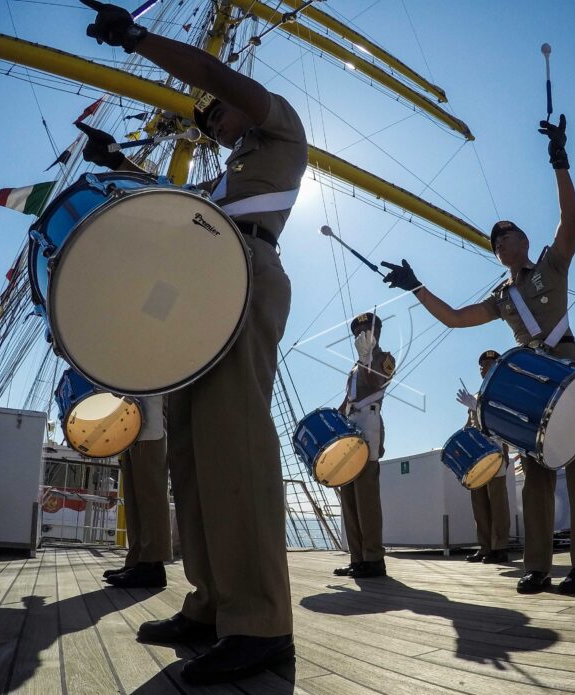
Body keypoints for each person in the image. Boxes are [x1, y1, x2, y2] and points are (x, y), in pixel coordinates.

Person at [80, 2, 307, 684]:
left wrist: (137, 37)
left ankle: (261, 622)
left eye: (217, 112)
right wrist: (118, 160)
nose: (211, 119)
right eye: (203, 117)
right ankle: (211, 604)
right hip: (203, 294)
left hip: (246, 275)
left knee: (233, 442)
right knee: (191, 450)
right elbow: (171, 213)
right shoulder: (222, 176)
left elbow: (210, 70)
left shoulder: (280, 126)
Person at [381, 114, 575, 595]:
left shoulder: (552, 264)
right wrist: (416, 286)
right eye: (495, 240)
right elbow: (455, 318)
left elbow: (571, 219)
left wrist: (560, 161)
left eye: (508, 234)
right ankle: (539, 567)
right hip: (531, 380)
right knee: (537, 474)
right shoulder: (502, 299)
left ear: (524, 241)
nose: (500, 240)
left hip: (568, 367)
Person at [333, 313, 395, 579]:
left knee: (366, 498)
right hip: (351, 425)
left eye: (367, 331)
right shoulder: (354, 368)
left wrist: (366, 358)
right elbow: (349, 400)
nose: (362, 336)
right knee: (349, 496)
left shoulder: (384, 359)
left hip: (369, 424)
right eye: (357, 333)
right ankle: (357, 558)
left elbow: (376, 381)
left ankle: (374, 559)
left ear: (377, 331)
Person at [104, 396, 171, 589]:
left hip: (150, 418)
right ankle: (137, 560)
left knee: (151, 495)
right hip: (132, 420)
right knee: (134, 500)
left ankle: (152, 564)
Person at [455, 349, 511, 564]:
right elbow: (470, 424)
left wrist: (476, 406)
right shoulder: (476, 396)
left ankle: (500, 547)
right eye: (482, 367)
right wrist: (461, 439)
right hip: (477, 457)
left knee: (497, 503)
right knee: (479, 503)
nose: (484, 370)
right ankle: (486, 546)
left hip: (495, 453)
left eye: (489, 365)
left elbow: (500, 419)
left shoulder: (502, 391)